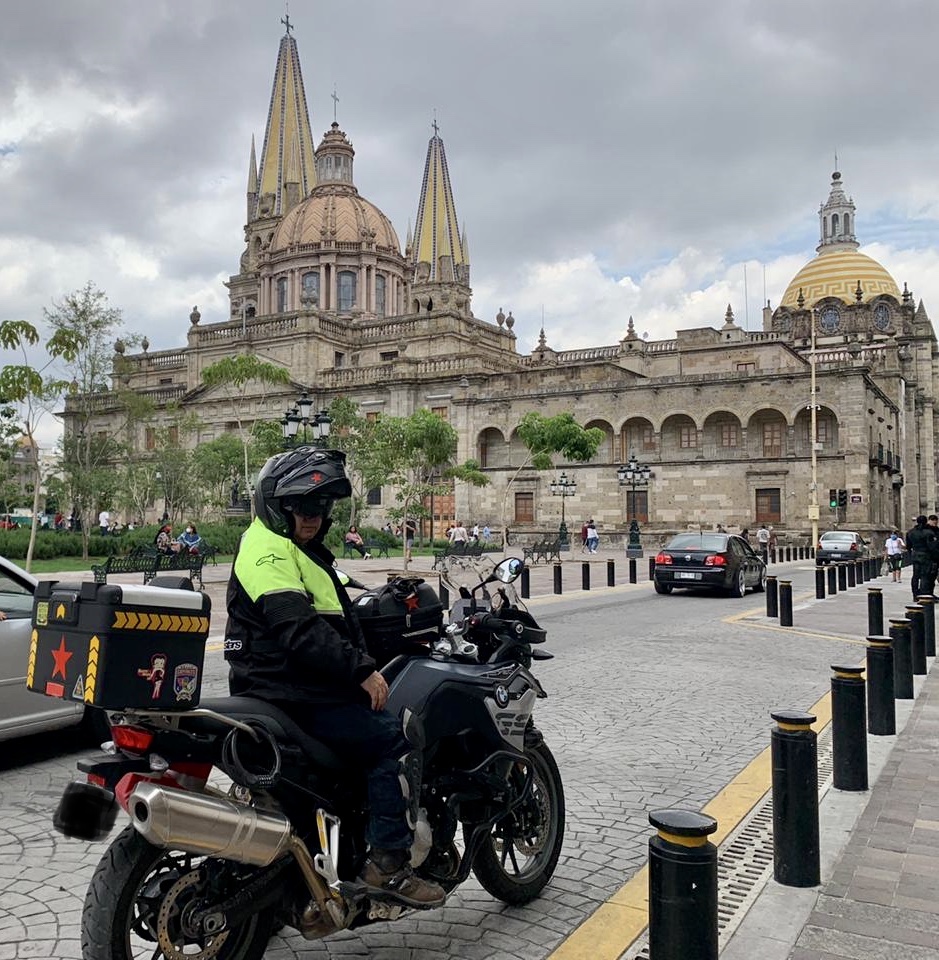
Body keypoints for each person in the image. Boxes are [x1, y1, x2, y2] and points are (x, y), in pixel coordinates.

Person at [224, 448, 444, 907]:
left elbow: (331, 601)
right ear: (277, 507)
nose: (312, 517)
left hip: (285, 689)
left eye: (321, 508)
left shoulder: (290, 549)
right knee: (396, 740)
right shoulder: (267, 551)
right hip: (297, 694)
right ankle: (388, 863)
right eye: (303, 507)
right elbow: (297, 629)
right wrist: (361, 669)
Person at [904, 515, 935, 600]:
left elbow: (908, 546)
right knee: (925, 576)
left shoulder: (910, 532)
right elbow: (931, 547)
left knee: (915, 576)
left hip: (915, 554)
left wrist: (912, 554)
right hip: (926, 555)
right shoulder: (929, 533)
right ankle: (923, 594)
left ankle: (915, 594)